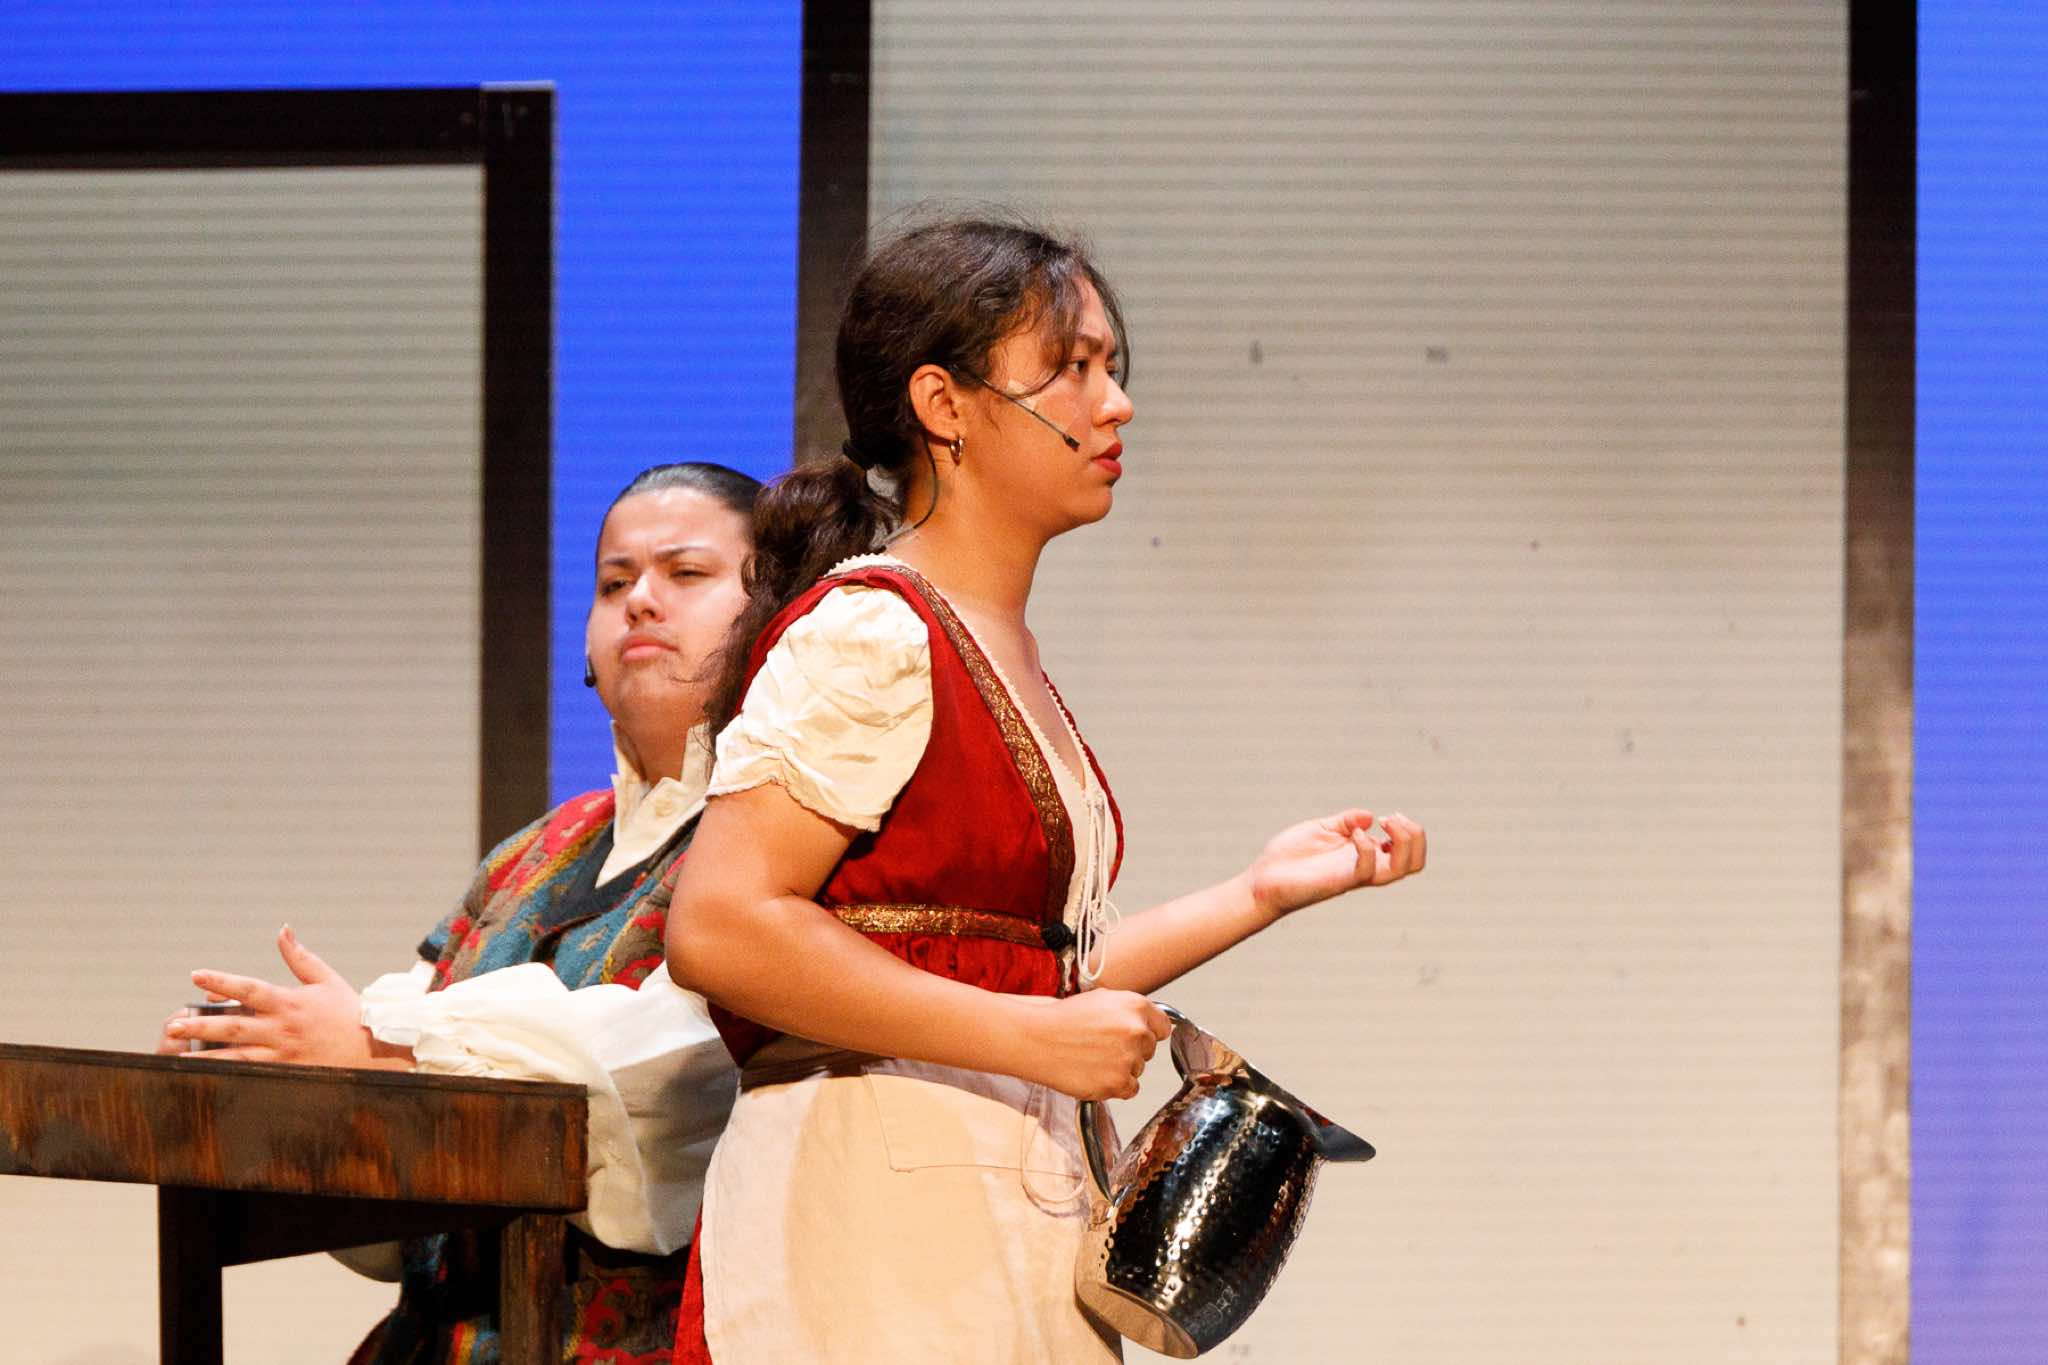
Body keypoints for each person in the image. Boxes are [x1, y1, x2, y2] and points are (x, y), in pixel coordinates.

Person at [662, 216, 1429, 1362]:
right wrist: (1026, 1036)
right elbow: (722, 926)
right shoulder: (873, 633)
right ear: (944, 403)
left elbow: (1018, 974)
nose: (1114, 404)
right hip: (874, 1225)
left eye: (1112, 367)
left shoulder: (989, 646)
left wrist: (1256, 893)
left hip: (994, 1203)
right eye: (1071, 367)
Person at [159, 461, 760, 1364]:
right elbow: (397, 1195)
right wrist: (278, 1071)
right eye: (613, 582)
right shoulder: (534, 850)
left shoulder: (769, 843)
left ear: (771, 614)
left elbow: (662, 1073)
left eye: (685, 573)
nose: (640, 600)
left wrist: (381, 1046)